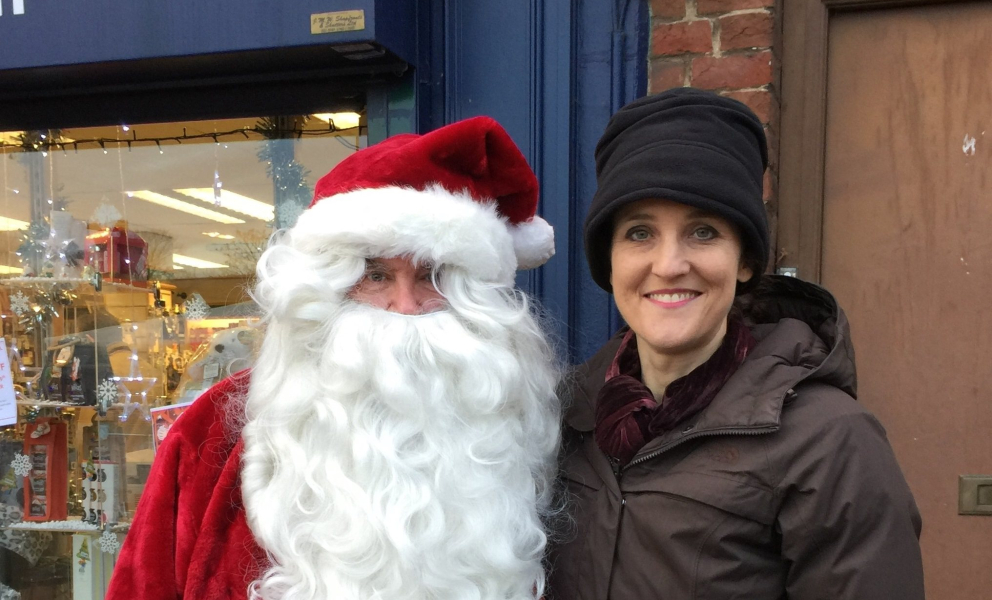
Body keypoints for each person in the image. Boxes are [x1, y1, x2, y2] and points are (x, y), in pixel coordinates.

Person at [106, 117, 562, 600]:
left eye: (432, 276)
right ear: (324, 292)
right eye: (375, 276)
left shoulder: (523, 436)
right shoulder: (210, 435)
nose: (405, 308)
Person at [547, 88, 925, 599]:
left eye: (703, 233)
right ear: (608, 264)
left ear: (745, 261)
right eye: (640, 233)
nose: (669, 265)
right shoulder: (564, 418)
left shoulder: (830, 442)